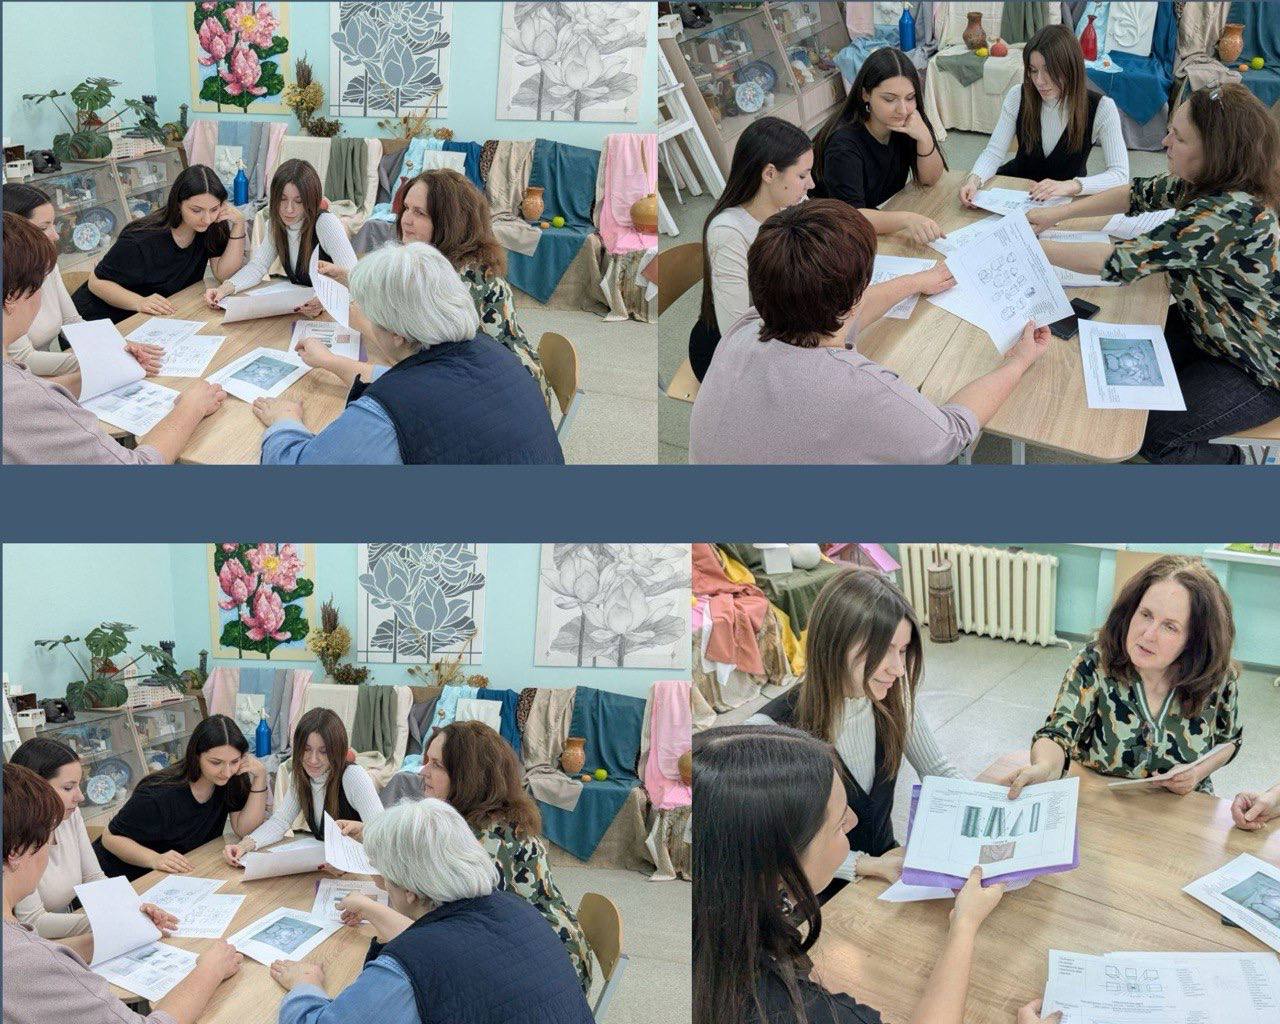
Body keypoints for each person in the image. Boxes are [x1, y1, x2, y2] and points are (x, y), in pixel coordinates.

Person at [694, 726, 1058, 1024]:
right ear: (782, 865)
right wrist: (964, 924)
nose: (853, 821)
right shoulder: (790, 1009)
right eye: (839, 825)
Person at [1027, 84, 1280, 463]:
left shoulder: (1231, 214)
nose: (1165, 142)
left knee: (1152, 434)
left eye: (1179, 137)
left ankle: (1232, 463)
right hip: (1208, 328)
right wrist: (1058, 213)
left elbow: (1122, 260)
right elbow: (1136, 194)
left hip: (1256, 366)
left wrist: (1033, 248)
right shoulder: (1206, 182)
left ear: (1216, 152)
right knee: (1107, 354)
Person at [688, 200, 1050, 464]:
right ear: (855, 294)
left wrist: (915, 282)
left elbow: (842, 314)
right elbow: (951, 434)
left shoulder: (747, 326)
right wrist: (1017, 362)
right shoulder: (857, 386)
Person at [269, 797, 595, 1024]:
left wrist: (306, 984)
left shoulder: (409, 968)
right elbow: (448, 952)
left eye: (384, 876)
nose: (382, 884)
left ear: (410, 891)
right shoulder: (514, 907)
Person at [744, 569, 959, 900]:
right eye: (884, 650)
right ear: (836, 644)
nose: (898, 669)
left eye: (903, 650)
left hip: (888, 870)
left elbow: (939, 773)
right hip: (817, 894)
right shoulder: (769, 732)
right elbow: (771, 850)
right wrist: (865, 865)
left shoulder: (895, 700)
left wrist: (991, 809)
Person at [252, 241, 564, 465]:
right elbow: (418, 386)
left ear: (397, 335)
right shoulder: (490, 352)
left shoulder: (387, 414)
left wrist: (285, 421)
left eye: (369, 316)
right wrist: (331, 362)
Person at [688, 117, 950, 382]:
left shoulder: (791, 202)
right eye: (802, 175)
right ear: (769, 174)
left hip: (788, 329)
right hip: (737, 354)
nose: (811, 185)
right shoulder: (728, 231)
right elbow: (737, 333)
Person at [3, 762, 245, 1024]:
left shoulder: (21, 950)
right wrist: (209, 972)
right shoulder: (28, 962)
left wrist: (118, 935)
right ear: (16, 853)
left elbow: (42, 956)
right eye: (48, 840)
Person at [376, 720, 591, 990]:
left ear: (468, 777)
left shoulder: (483, 839)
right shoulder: (495, 819)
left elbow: (431, 921)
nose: (424, 771)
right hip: (547, 950)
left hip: (551, 973)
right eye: (427, 761)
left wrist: (369, 906)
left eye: (437, 765)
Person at [1004, 555, 1242, 799]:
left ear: (1195, 640)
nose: (1148, 634)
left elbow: (1230, 741)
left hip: (1181, 806)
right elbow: (1058, 734)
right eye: (1145, 614)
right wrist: (1045, 768)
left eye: (1170, 626)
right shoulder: (1096, 661)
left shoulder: (1218, 678)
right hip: (1100, 801)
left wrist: (1197, 773)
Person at [2, 212, 226, 464]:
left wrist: (108, 370)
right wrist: (191, 408)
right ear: (12, 297)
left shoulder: (20, 386)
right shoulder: (24, 398)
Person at [319, 168, 552, 409]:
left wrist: (337, 347)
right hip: (498, 386)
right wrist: (348, 279)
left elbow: (408, 360)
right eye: (406, 208)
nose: (406, 220)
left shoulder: (462, 280)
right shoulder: (447, 264)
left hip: (510, 402)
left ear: (450, 222)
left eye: (420, 213)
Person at [8, 737, 168, 939]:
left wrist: (135, 908)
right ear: (34, 789)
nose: (81, 797)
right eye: (68, 788)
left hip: (67, 931)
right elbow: (32, 921)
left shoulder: (69, 815)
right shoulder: (16, 837)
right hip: (31, 941)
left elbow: (94, 878)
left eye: (78, 785)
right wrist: (110, 921)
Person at [959, 24, 1128, 207]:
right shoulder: (1018, 95)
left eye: (1049, 70)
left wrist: (1071, 186)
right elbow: (994, 152)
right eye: (1033, 70)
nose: (1039, 81)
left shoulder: (1102, 108)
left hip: (1063, 201)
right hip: (1014, 191)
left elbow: (1120, 175)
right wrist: (974, 180)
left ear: (1071, 68)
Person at [2, 184, 163, 376]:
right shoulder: (7, 280)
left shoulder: (47, 264)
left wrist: (118, 345)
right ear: (12, 233)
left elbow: (72, 322)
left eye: (54, 224)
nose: (55, 235)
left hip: (49, 376)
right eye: (44, 227)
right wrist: (105, 359)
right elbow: (23, 360)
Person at [94, 714, 269, 882]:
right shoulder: (157, 794)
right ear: (196, 756)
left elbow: (244, 830)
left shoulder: (232, 779)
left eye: (235, 761)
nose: (227, 771)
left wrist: (260, 776)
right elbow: (110, 838)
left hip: (169, 876)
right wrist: (155, 859)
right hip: (117, 876)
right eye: (216, 762)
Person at [72, 164, 247, 323]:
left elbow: (223, 275)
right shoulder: (140, 239)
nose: (207, 218)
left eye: (214, 209)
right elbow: (96, 283)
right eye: (196, 210)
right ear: (178, 204)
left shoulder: (211, 226)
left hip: (148, 318)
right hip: (97, 319)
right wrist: (139, 302)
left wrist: (239, 224)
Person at [811, 47, 948, 244]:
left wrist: (925, 138)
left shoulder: (906, 121)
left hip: (876, 217)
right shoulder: (843, 144)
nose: (903, 109)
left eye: (910, 98)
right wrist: (907, 219)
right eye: (889, 99)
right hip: (831, 233)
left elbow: (930, 179)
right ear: (865, 94)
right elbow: (852, 216)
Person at [223, 708, 382, 863]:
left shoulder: (353, 775)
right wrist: (243, 846)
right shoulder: (300, 776)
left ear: (337, 750)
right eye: (306, 749)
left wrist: (362, 831)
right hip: (331, 866)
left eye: (324, 751)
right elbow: (280, 822)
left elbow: (383, 834)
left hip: (363, 867)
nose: (313, 760)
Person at [205, 159, 358, 314]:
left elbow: (356, 282)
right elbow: (258, 266)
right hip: (304, 312)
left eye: (299, 201)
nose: (289, 209)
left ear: (310, 201)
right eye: (282, 199)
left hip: (336, 313)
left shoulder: (325, 223)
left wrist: (326, 301)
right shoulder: (275, 225)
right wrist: (223, 289)